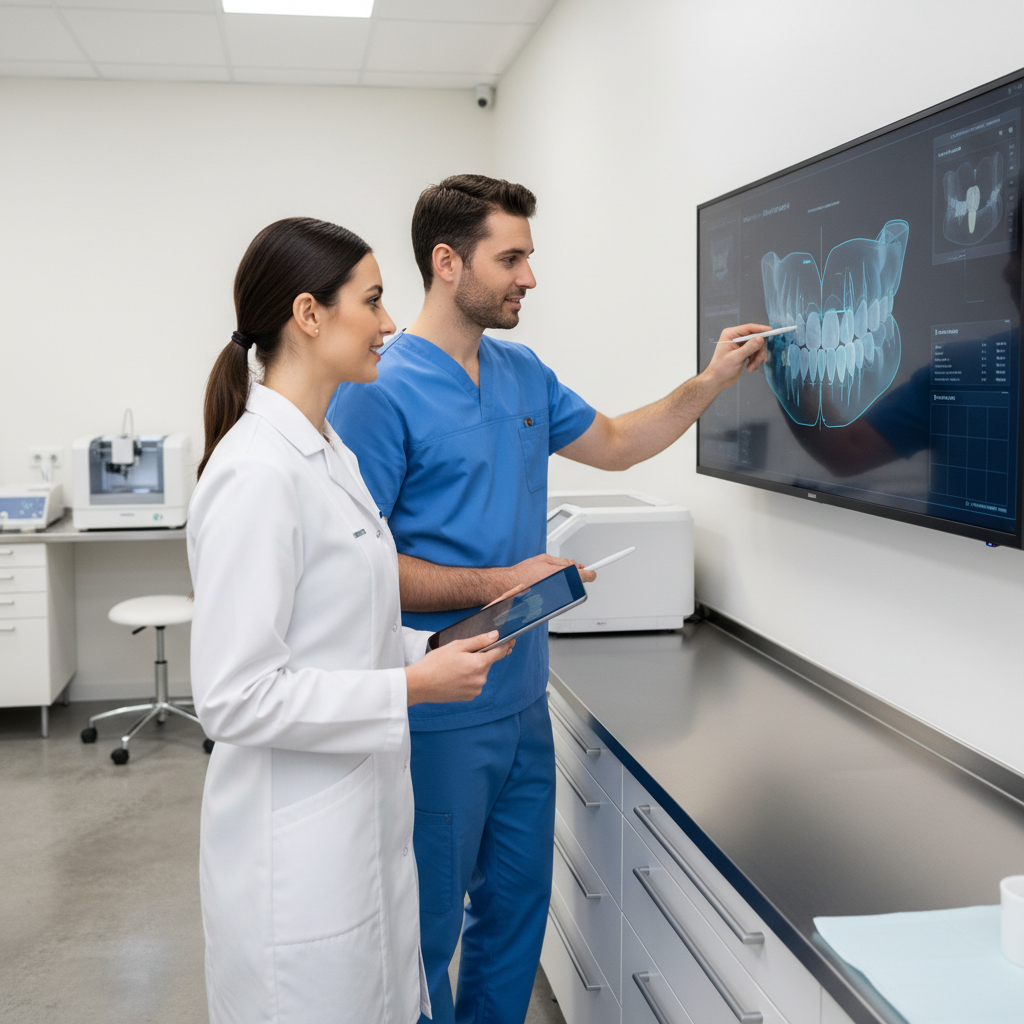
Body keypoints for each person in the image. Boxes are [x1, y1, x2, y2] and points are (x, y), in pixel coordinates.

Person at [326, 176, 768, 1024]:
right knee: (423, 935)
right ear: (447, 262)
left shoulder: (522, 373)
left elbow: (616, 442)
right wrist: (502, 583)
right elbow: (359, 564)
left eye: (529, 256)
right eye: (512, 258)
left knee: (516, 919)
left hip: (525, 700)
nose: (530, 278)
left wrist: (711, 379)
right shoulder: (377, 391)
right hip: (437, 709)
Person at [186, 216, 516, 1024]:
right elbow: (233, 696)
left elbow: (337, 625)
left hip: (358, 831)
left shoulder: (329, 453)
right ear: (309, 315)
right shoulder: (258, 474)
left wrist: (434, 647)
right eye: (371, 301)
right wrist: (412, 685)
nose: (390, 323)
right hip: (294, 865)